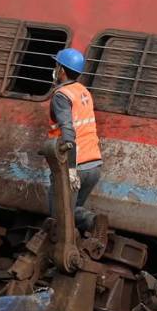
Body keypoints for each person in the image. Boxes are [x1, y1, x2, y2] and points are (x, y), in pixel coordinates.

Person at [47, 48, 102, 230]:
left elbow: (68, 132)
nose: (55, 69)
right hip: (94, 165)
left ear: (62, 70)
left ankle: (92, 221)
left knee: (59, 216)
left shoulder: (62, 95)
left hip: (74, 166)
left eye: (56, 65)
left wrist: (70, 170)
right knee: (71, 211)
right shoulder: (83, 91)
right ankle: (91, 224)